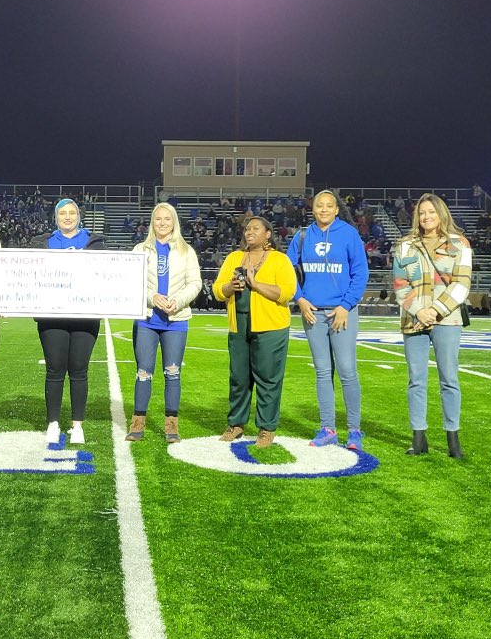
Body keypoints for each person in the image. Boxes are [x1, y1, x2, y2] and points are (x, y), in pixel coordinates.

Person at [286, 190, 369, 450]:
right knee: (322, 372)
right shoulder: (302, 236)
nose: (323, 209)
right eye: (319, 205)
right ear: (313, 209)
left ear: (336, 210)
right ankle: (328, 428)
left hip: (340, 313)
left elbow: (360, 273)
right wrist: (299, 299)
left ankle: (354, 430)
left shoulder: (348, 234)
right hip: (312, 312)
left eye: (329, 206)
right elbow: (287, 272)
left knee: (346, 370)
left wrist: (345, 306)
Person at [393, 194, 472, 459]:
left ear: (441, 214)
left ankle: (453, 439)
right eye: (422, 213)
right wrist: (419, 311)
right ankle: (419, 437)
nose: (426, 217)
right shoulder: (405, 245)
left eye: (431, 212)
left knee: (449, 378)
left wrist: (435, 311)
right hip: (413, 319)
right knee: (416, 379)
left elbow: (461, 285)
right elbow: (400, 285)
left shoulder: (459, 244)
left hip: (447, 319)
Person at [212, 216, 297, 448]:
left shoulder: (280, 260)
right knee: (238, 378)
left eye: (255, 228)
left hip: (271, 327)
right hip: (239, 325)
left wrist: (256, 284)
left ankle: (266, 428)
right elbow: (217, 289)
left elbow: (287, 292)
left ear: (268, 234)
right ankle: (236, 424)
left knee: (268, 379)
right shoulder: (234, 258)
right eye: (247, 229)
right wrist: (230, 287)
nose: (249, 232)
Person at [31, 198, 107, 445]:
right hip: (52, 316)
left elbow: (106, 274)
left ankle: (77, 426)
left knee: (79, 370)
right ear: (55, 217)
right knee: (54, 369)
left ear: (78, 215)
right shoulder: (43, 243)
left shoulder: (94, 243)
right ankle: (53, 423)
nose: (67, 217)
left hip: (85, 316)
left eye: (71, 213)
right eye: (62, 213)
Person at [125, 203, 201, 444]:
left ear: (174, 222)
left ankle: (171, 423)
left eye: (167, 219)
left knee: (173, 373)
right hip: (147, 319)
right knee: (143, 372)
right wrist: (152, 297)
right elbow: (132, 281)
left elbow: (195, 283)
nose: (162, 223)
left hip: (176, 321)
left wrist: (177, 301)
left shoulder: (186, 250)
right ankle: (138, 421)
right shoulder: (140, 249)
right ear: (152, 222)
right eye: (158, 219)